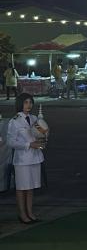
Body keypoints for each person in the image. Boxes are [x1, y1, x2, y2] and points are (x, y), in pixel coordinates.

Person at [7, 92, 46, 224]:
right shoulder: (15, 121)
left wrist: (43, 139)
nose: (29, 105)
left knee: (31, 187)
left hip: (35, 157)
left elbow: (42, 133)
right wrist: (29, 145)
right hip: (22, 160)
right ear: (20, 104)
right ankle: (22, 214)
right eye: (26, 102)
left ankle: (30, 213)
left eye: (30, 102)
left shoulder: (35, 118)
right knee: (22, 187)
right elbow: (11, 142)